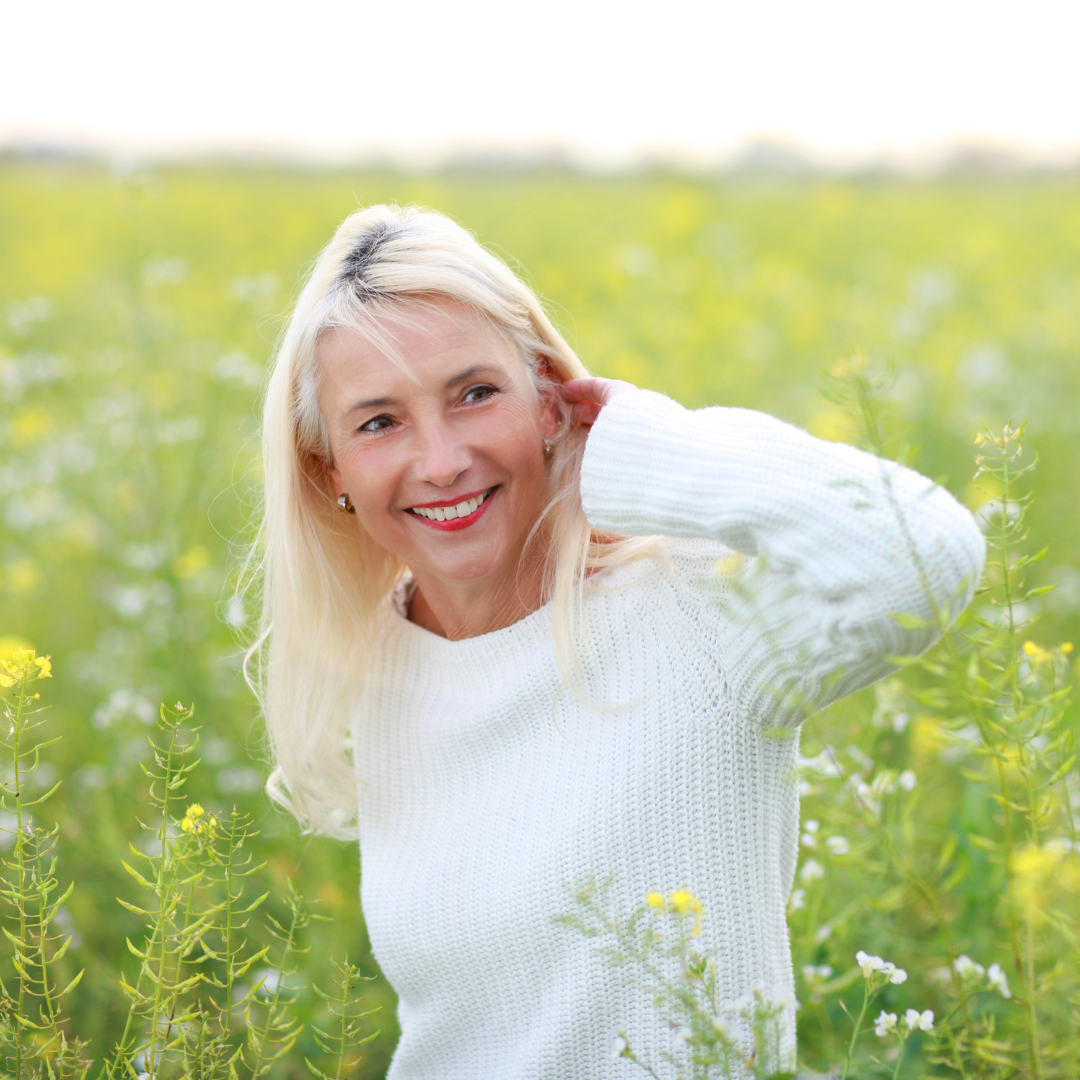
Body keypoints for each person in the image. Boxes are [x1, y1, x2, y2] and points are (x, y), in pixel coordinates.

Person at [251, 204, 985, 1079]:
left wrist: (645, 441)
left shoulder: (696, 613)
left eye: (475, 393)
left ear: (552, 403)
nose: (441, 460)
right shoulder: (383, 664)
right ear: (330, 468)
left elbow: (922, 551)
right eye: (380, 422)